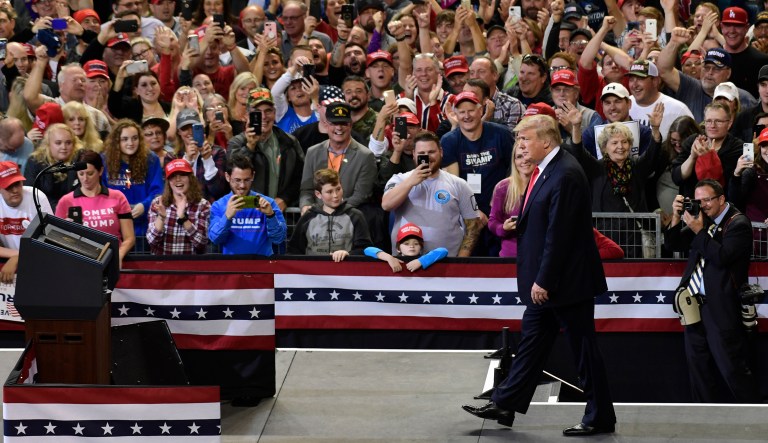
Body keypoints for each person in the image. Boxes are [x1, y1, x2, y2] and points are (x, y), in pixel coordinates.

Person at [462, 114, 616, 436]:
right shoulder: (546, 171)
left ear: (545, 140)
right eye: (518, 139)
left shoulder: (566, 174)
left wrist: (544, 280)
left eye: (525, 138)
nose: (519, 144)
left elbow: (559, 236)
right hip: (548, 283)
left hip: (565, 283)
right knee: (531, 343)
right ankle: (506, 403)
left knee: (584, 350)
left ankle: (600, 415)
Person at [664, 180, 760, 403]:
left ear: (721, 199)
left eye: (707, 200)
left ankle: (755, 418)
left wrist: (699, 231)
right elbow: (673, 244)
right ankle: (703, 419)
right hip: (693, 306)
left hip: (722, 306)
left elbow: (722, 257)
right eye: (698, 201)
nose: (703, 206)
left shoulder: (738, 223)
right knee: (698, 368)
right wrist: (676, 217)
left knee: (731, 367)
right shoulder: (703, 220)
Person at [565, 101, 665, 258]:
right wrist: (576, 127)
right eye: (615, 142)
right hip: (605, 237)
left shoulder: (637, 166)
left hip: (634, 238)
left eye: (625, 142)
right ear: (604, 147)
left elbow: (653, 154)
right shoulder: (596, 168)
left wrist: (656, 129)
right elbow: (578, 151)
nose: (621, 146)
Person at [382, 131, 482, 257]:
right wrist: (410, 183)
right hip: (406, 262)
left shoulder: (459, 184)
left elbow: (473, 226)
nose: (427, 157)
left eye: (431, 152)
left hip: (448, 263)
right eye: (421, 154)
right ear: (414, 154)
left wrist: (461, 260)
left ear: (441, 152)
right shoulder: (399, 180)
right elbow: (386, 205)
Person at [227, 87, 305, 211]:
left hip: (279, 213)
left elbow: (301, 176)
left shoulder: (289, 141)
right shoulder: (236, 142)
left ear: (274, 113)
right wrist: (249, 147)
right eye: (257, 112)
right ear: (247, 115)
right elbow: (234, 177)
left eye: (268, 111)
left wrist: (285, 198)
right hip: (248, 213)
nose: (263, 116)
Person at [55, 150, 135, 268]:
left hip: (111, 260)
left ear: (100, 171)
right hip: (79, 262)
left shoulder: (117, 197)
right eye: (81, 174)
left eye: (90, 173)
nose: (85, 178)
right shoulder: (66, 201)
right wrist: (65, 231)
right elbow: (56, 238)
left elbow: (129, 237)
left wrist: (120, 254)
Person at [299, 101, 376, 213]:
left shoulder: (365, 156)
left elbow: (361, 195)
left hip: (348, 218)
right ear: (327, 125)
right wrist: (306, 206)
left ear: (350, 125)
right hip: (317, 218)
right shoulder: (312, 152)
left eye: (343, 123)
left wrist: (334, 211)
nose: (339, 128)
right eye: (334, 123)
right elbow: (306, 190)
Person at [208, 154, 286, 255]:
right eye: (237, 180)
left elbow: (279, 239)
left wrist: (271, 216)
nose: (242, 186)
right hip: (233, 267)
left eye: (247, 180)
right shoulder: (219, 205)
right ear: (227, 177)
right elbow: (215, 239)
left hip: (262, 267)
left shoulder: (268, 203)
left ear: (253, 176)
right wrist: (227, 217)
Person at [288, 168, 371, 261]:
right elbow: (294, 250)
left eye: (338, 189)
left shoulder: (355, 216)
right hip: (313, 272)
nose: (336, 195)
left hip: (346, 270)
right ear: (318, 194)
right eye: (329, 192)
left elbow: (366, 249)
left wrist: (349, 254)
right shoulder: (308, 217)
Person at [102, 119, 165, 237]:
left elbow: (157, 192)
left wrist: (144, 205)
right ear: (116, 141)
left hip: (144, 227)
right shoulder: (105, 161)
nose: (130, 143)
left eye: (134, 138)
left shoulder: (151, 160)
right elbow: (100, 192)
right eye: (125, 139)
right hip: (115, 226)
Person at [0, 161, 52, 283]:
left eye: (17, 184)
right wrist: (17, 255)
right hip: (10, 259)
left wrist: (19, 257)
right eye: (8, 186)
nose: (15, 190)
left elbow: (51, 239)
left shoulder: (37, 197)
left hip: (40, 260)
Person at [146, 159, 211, 255]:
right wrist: (161, 217)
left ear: (190, 178)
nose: (178, 179)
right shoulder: (158, 203)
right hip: (163, 264)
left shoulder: (203, 205)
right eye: (173, 176)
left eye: (182, 175)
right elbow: (152, 241)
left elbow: (202, 243)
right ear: (168, 182)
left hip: (191, 265)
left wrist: (183, 218)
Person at [488, 142, 534, 257]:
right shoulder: (502, 187)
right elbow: (492, 222)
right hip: (511, 256)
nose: (524, 160)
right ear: (514, 161)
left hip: (538, 256)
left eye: (527, 155)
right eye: (519, 157)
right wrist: (503, 228)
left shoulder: (547, 183)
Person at [23, 123, 82, 209]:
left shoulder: (80, 159)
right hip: (45, 211)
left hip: (74, 210)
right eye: (58, 143)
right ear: (48, 144)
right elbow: (30, 193)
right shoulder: (35, 161)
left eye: (68, 143)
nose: (64, 147)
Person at [364, 223, 448, 272]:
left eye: (416, 243)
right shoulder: (394, 259)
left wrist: (421, 261)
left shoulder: (423, 257)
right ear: (398, 248)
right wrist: (389, 258)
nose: (411, 246)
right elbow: (367, 250)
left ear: (421, 247)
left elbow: (443, 251)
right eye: (406, 243)